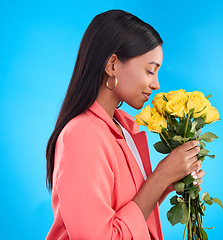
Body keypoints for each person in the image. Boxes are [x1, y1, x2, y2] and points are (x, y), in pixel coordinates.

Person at [45, 9, 205, 240]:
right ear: (112, 65)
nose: (156, 84)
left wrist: (170, 179)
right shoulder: (82, 134)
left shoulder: (124, 127)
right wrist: (160, 177)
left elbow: (128, 214)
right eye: (150, 70)